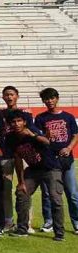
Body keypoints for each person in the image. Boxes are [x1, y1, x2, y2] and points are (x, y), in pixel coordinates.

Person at [0, 85, 36, 230]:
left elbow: (31, 132)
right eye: (6, 95)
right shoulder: (1, 113)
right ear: (3, 97)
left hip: (23, 154)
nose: (9, 97)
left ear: (17, 96)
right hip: (5, 154)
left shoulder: (25, 114)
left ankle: (26, 222)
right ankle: (8, 220)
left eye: (11, 94)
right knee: (5, 189)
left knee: (25, 189)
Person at [6, 110, 65, 241]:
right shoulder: (11, 138)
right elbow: (17, 159)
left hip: (51, 168)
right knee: (21, 193)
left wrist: (32, 135)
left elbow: (47, 142)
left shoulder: (32, 129)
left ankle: (59, 233)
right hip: (33, 170)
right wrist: (21, 181)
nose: (16, 124)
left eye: (19, 121)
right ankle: (22, 229)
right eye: (13, 122)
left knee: (55, 199)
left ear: (24, 122)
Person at [34, 87, 78, 235]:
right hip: (49, 161)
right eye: (46, 99)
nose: (49, 101)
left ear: (57, 98)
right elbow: (39, 138)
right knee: (48, 194)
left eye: (52, 98)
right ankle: (49, 221)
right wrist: (46, 135)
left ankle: (76, 222)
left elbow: (75, 135)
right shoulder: (40, 118)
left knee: (72, 193)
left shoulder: (68, 117)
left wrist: (69, 147)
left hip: (66, 160)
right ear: (43, 101)